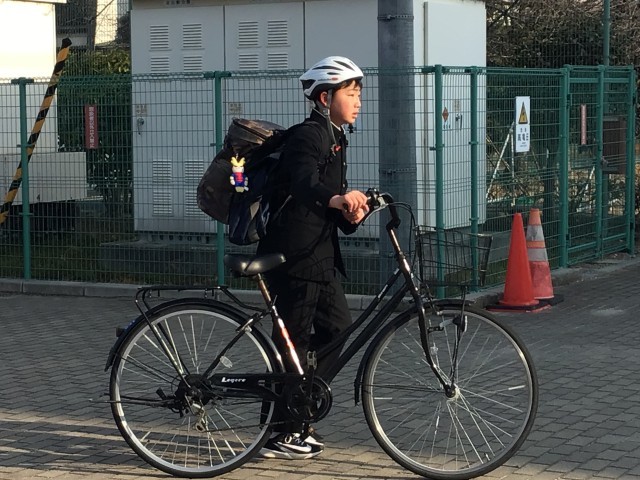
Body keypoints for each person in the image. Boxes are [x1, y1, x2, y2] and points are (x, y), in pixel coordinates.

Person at [257, 56, 369, 459]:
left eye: (359, 94)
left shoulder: (335, 136)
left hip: (318, 256)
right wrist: (337, 199)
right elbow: (304, 184)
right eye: (351, 94)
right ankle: (280, 431)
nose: (358, 102)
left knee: (337, 330)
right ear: (325, 98)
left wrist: (350, 213)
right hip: (293, 257)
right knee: (293, 341)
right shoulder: (308, 135)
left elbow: (325, 200)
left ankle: (299, 408)